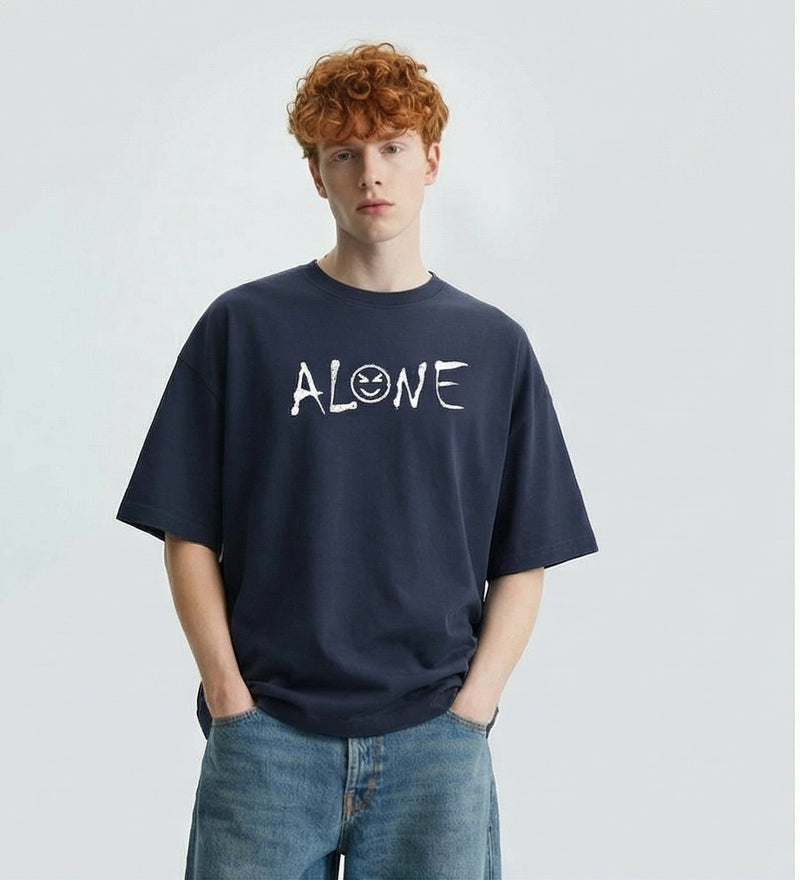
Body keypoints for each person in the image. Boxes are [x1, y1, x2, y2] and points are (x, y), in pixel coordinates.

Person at [116, 41, 598, 880]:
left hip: (434, 750)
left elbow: (526, 553)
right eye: (344, 153)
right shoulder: (245, 328)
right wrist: (229, 698)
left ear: (431, 161)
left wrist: (471, 709)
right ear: (317, 174)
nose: (370, 173)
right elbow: (185, 529)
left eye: (392, 147)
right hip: (269, 740)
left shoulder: (492, 346)